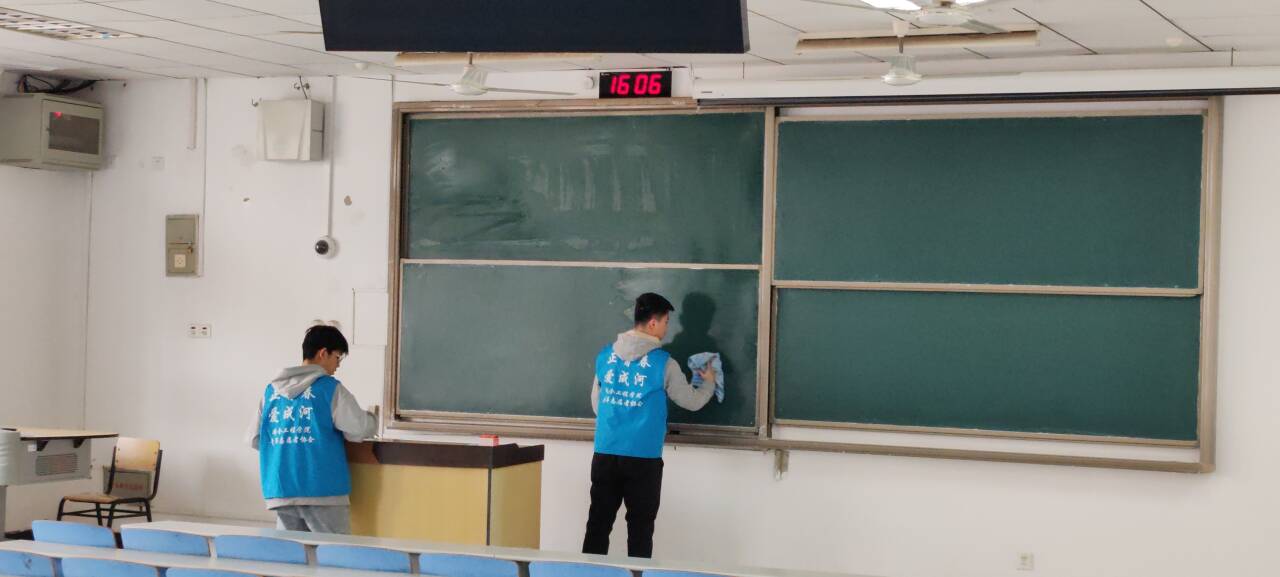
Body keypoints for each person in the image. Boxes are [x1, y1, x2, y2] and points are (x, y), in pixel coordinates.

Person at [582, 292, 719, 558]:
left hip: (605, 452)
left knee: (598, 524)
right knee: (640, 529)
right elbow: (691, 402)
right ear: (654, 323)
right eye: (666, 322)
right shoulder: (664, 364)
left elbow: (597, 405)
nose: (667, 329)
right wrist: (709, 383)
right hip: (643, 458)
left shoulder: (605, 357)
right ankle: (637, 574)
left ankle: (587, 572)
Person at [246, 325, 377, 534]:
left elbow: (254, 438)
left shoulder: (271, 392)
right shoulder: (329, 389)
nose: (337, 365)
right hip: (323, 490)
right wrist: (374, 419)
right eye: (337, 358)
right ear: (323, 353)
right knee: (333, 552)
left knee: (292, 552)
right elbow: (358, 428)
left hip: (281, 490)